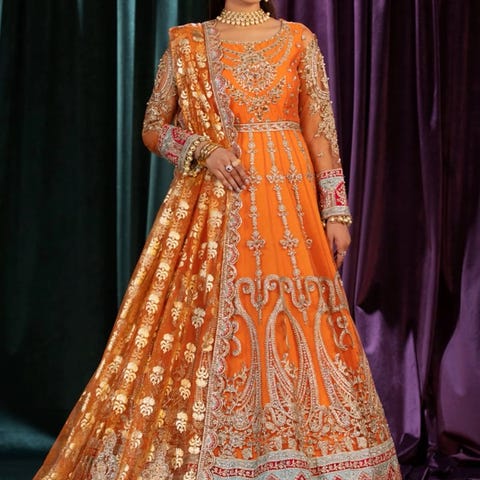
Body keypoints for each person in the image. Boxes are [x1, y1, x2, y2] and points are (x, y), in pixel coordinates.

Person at [34, 0, 401, 478]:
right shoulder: (187, 43)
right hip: (216, 210)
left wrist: (336, 211)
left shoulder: (299, 40)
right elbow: (153, 127)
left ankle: (302, 454)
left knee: (300, 321)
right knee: (215, 324)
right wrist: (201, 149)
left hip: (291, 209)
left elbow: (320, 133)